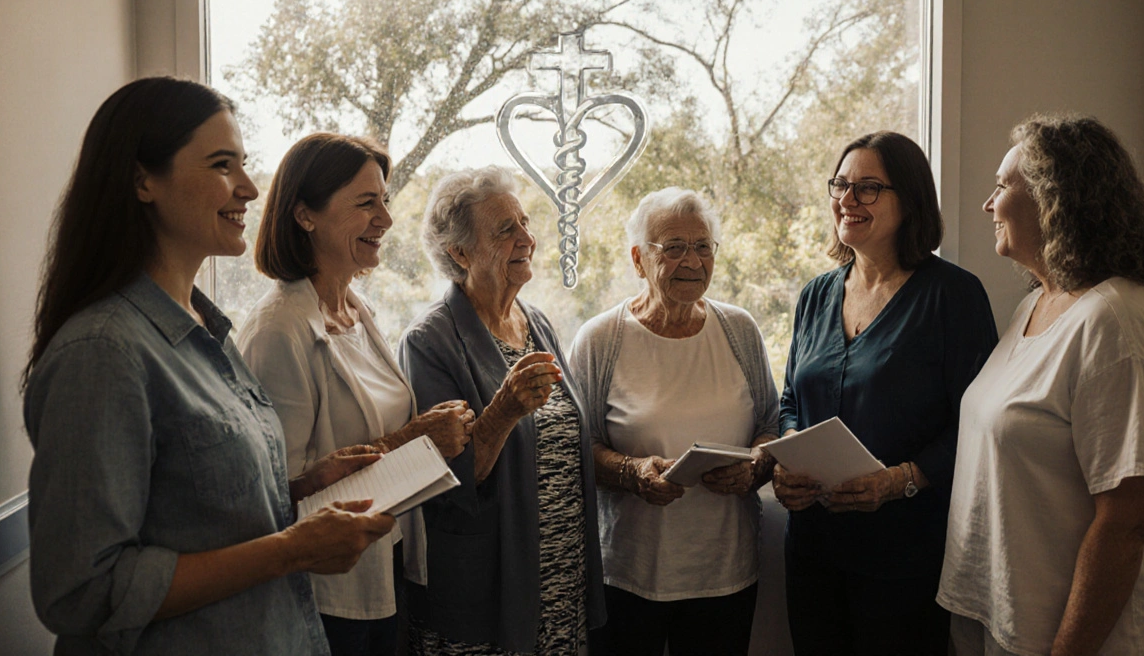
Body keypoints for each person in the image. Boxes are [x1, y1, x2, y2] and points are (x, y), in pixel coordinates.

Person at [22, 77, 397, 655]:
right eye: (223, 165)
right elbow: (80, 590)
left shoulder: (205, 329)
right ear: (142, 180)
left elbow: (199, 511)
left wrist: (300, 489)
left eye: (244, 165)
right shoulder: (103, 352)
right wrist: (293, 548)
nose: (248, 188)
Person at [938, 115, 1144, 655]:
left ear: (1055, 197)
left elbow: (1131, 518)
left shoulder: (1118, 321)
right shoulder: (1037, 303)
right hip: (1013, 620)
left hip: (1091, 640)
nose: (988, 204)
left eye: (1002, 186)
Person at [237, 132, 476, 656]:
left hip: (384, 562)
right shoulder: (278, 332)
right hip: (324, 594)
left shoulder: (356, 310)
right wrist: (414, 438)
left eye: (385, 200)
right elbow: (279, 494)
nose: (386, 219)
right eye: (367, 202)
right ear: (305, 216)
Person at [772, 131, 998, 655]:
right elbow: (790, 401)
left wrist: (900, 481)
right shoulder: (816, 294)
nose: (847, 200)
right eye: (841, 185)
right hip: (812, 549)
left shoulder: (953, 296)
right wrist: (786, 457)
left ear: (911, 199)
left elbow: (976, 423)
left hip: (907, 556)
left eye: (868, 187)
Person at [396, 166, 605, 655]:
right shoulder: (430, 341)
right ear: (460, 252)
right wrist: (505, 409)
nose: (526, 238)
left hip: (559, 582)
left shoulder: (536, 322)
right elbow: (442, 479)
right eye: (505, 230)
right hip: (488, 593)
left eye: (525, 223)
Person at [569, 187, 780, 656]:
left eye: (703, 246)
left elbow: (770, 423)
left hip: (725, 571)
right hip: (628, 572)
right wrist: (631, 472)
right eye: (674, 247)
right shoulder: (600, 339)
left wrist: (754, 467)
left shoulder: (739, 329)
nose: (693, 260)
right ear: (639, 259)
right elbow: (578, 447)